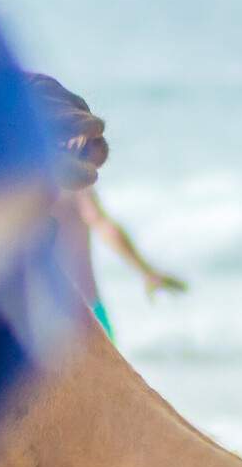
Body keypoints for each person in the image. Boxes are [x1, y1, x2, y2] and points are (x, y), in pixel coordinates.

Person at [27, 74, 186, 341]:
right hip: (84, 309)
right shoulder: (71, 176)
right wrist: (145, 270)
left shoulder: (26, 181)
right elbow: (101, 223)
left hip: (44, 311)